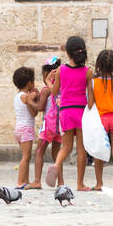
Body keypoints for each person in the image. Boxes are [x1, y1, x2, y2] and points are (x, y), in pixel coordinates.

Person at [46, 36, 91, 189]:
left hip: (65, 112)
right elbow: (90, 96)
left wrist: (47, 82)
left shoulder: (60, 70)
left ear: (67, 52)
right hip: (81, 111)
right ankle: (80, 183)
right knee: (81, 149)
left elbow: (54, 91)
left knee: (66, 147)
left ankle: (57, 164)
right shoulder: (87, 72)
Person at [86, 49, 113, 191]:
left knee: (98, 153)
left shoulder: (93, 83)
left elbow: (90, 105)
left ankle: (99, 184)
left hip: (101, 120)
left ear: (99, 64)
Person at [31, 57, 62, 187]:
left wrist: (30, 101)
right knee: (56, 155)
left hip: (48, 125)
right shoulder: (61, 87)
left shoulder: (46, 89)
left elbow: (39, 108)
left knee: (39, 152)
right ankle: (61, 182)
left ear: (46, 73)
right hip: (60, 126)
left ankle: (37, 181)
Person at [12, 66, 45, 188]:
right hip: (26, 128)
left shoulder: (18, 95)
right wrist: (35, 96)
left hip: (19, 129)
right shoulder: (26, 97)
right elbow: (33, 113)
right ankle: (20, 181)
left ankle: (25, 180)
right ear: (29, 82)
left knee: (25, 156)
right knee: (26, 157)